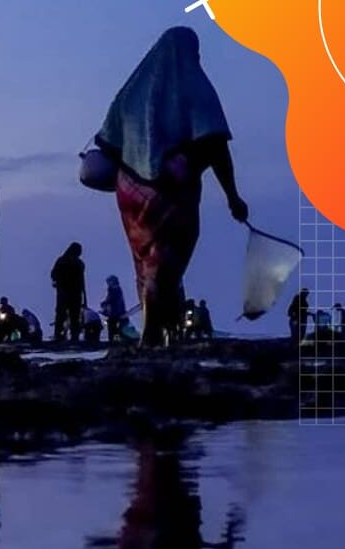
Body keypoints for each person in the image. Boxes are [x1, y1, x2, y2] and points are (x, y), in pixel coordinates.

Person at [96, 27, 248, 347]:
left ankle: (157, 327)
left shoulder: (132, 90)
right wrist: (233, 196)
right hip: (172, 189)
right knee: (167, 260)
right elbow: (216, 144)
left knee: (145, 258)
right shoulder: (195, 85)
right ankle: (154, 331)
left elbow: (109, 141)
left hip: (131, 192)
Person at [51, 243, 87, 342]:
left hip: (66, 293)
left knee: (63, 315)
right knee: (72, 315)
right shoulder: (79, 263)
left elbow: (53, 274)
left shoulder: (62, 261)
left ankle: (59, 335)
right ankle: (71, 336)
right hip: (72, 293)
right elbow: (82, 281)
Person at [101, 275, 129, 343]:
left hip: (115, 313)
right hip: (118, 312)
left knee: (113, 328)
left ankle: (114, 341)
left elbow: (112, 300)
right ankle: (116, 340)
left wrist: (105, 304)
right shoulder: (115, 290)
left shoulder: (114, 290)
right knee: (116, 328)